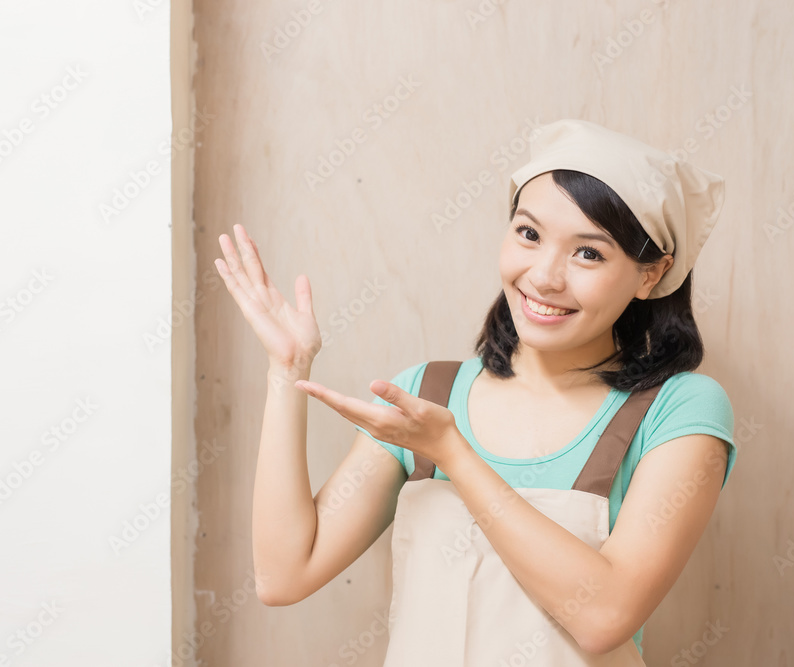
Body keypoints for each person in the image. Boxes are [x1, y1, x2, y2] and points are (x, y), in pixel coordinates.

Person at [214, 118, 736, 666]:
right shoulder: (428, 393)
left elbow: (604, 616)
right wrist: (286, 368)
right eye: (529, 234)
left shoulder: (679, 409)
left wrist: (454, 456)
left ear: (651, 275)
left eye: (589, 254)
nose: (545, 277)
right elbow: (285, 573)